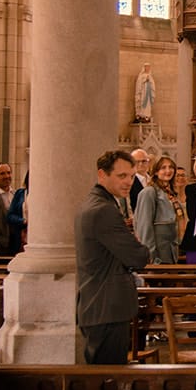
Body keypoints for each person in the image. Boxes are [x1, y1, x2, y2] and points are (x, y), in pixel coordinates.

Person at [75, 149, 151, 365]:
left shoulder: (95, 203)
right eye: (121, 176)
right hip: (106, 307)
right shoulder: (103, 210)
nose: (128, 182)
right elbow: (138, 257)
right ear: (102, 174)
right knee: (106, 381)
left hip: (100, 306)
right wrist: (139, 245)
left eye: (131, 176)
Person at [133, 154, 182, 264]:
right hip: (157, 252)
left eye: (171, 167)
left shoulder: (169, 192)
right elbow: (144, 226)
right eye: (163, 168)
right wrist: (151, 255)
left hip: (170, 250)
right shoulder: (149, 192)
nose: (168, 171)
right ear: (155, 171)